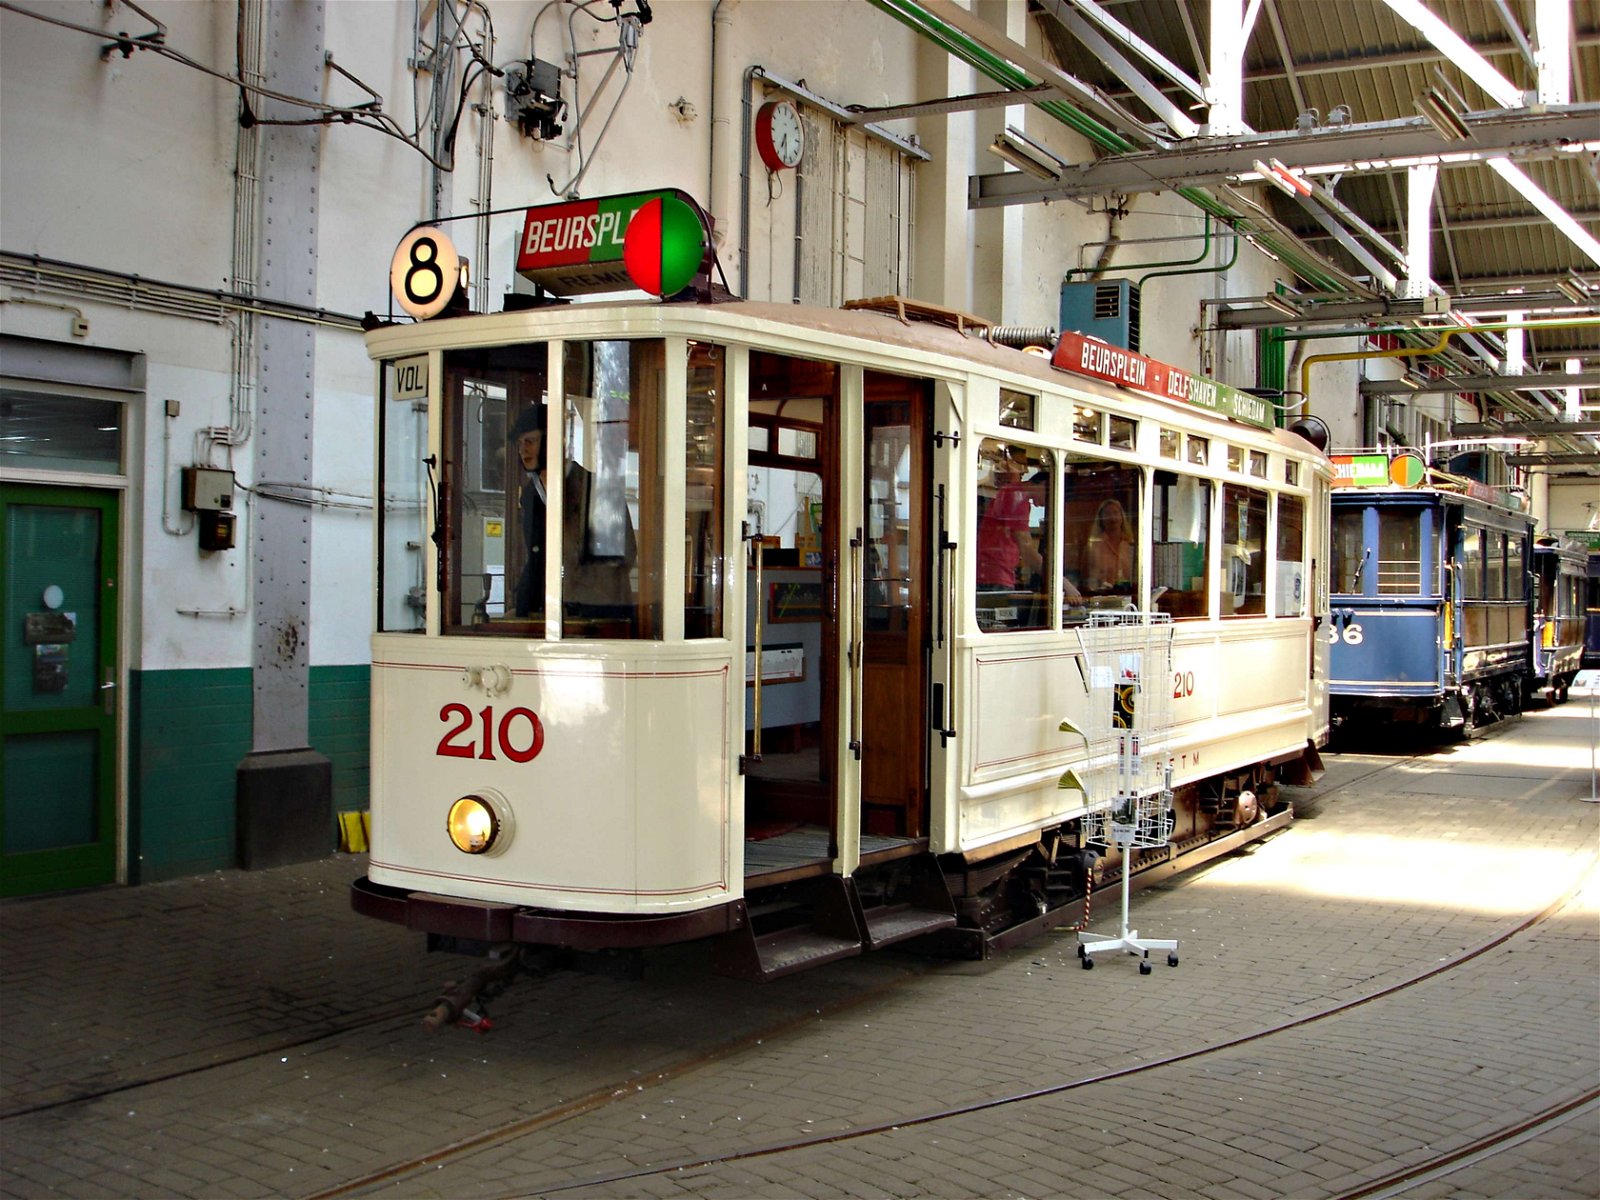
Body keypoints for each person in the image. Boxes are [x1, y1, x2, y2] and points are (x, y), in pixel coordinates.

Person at [508, 403, 635, 625]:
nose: (522, 450)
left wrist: (571, 601)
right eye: (519, 444)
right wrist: (525, 606)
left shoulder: (599, 489)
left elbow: (622, 556)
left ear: (555, 441)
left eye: (530, 441)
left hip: (599, 620)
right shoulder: (529, 496)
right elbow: (537, 558)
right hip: (551, 617)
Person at [976, 448, 1044, 592]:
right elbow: (1027, 550)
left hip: (993, 572)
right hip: (995, 575)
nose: (1048, 503)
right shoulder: (1017, 496)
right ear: (1044, 485)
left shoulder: (1012, 493)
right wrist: (1062, 583)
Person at [1082, 497, 1134, 594]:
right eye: (1107, 514)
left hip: (1128, 598)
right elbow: (1085, 579)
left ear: (1122, 516)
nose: (1112, 518)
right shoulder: (1093, 546)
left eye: (1115, 513)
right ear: (1101, 519)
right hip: (1100, 597)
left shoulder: (1130, 545)